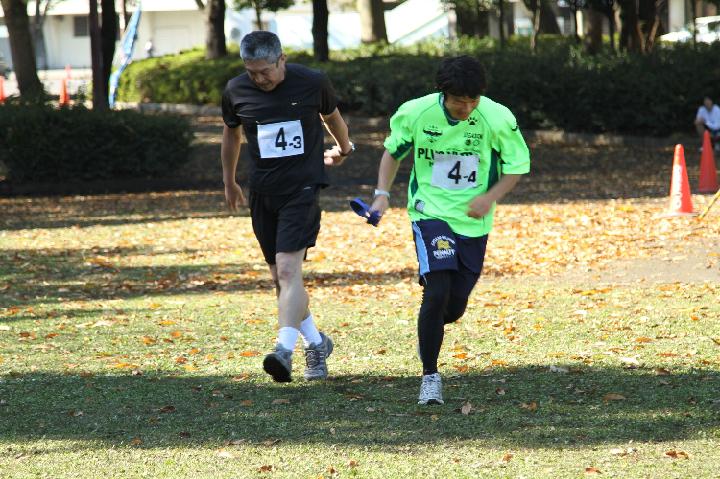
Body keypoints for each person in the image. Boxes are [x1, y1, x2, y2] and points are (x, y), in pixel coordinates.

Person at [369, 55, 530, 405]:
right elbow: (393, 153)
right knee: (437, 289)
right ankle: (430, 376)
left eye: (473, 101)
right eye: (459, 101)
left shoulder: (497, 117)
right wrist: (382, 194)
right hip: (430, 213)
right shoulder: (416, 113)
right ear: (443, 93)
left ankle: (429, 331)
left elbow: (517, 166)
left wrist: (489, 197)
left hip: (473, 221)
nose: (467, 108)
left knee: (453, 307)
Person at [221, 31, 354, 382]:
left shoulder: (312, 82)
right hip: (263, 192)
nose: (259, 79)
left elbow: (332, 117)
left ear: (282, 59)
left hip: (303, 187)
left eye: (265, 71)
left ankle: (283, 350)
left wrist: (344, 149)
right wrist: (229, 180)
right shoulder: (236, 90)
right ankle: (316, 343)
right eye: (251, 72)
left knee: (287, 271)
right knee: (281, 280)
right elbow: (231, 134)